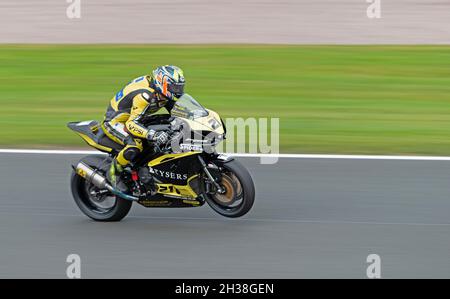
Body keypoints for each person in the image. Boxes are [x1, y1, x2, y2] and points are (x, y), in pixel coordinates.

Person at [101, 65, 185, 189]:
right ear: (162, 83)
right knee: (135, 146)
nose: (177, 91)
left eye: (180, 87)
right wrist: (152, 134)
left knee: (170, 125)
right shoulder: (145, 96)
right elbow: (131, 124)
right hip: (116, 122)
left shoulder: (162, 93)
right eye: (174, 87)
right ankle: (113, 173)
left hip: (136, 117)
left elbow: (180, 112)